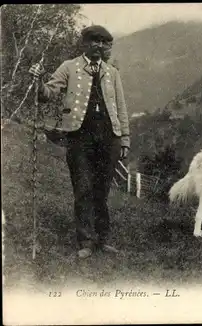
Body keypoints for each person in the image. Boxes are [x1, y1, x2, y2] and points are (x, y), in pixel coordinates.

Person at [28, 25, 130, 258]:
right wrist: (38, 80)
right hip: (79, 139)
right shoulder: (69, 67)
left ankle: (103, 240)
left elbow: (121, 108)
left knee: (102, 191)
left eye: (104, 43)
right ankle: (85, 241)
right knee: (83, 189)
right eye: (95, 41)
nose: (100, 47)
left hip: (109, 139)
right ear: (84, 43)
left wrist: (124, 140)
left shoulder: (112, 73)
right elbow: (46, 94)